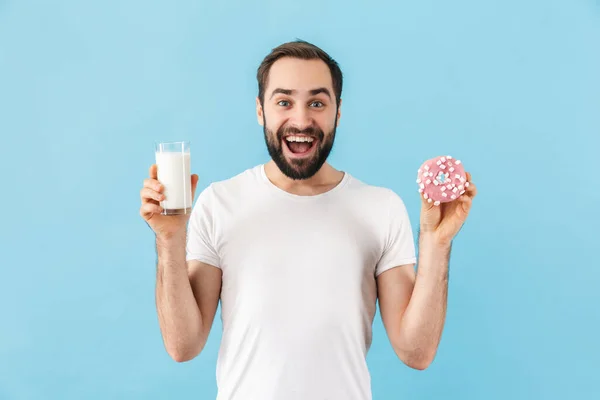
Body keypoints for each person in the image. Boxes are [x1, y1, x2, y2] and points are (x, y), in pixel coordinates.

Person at [139, 39, 477, 400]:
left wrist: (436, 243)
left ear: (338, 112)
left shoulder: (381, 207)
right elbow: (183, 346)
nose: (301, 120)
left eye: (317, 103)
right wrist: (170, 240)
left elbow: (417, 352)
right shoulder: (220, 202)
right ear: (260, 110)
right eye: (284, 101)